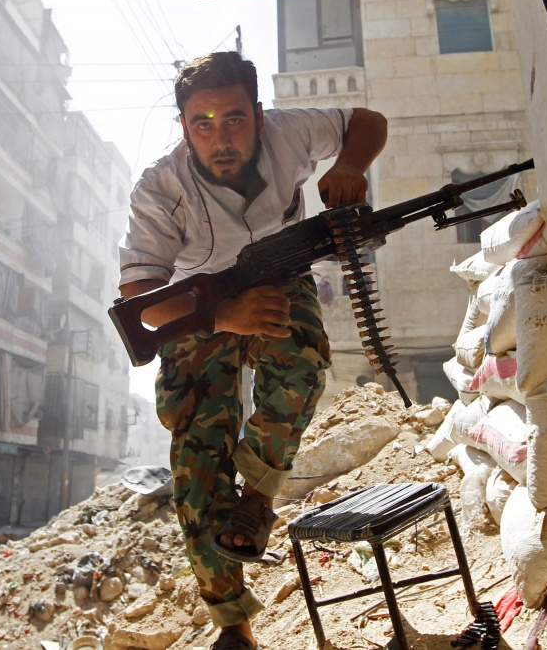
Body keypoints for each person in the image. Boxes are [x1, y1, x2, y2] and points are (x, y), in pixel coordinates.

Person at [117, 52, 387, 650]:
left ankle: (259, 497)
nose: (220, 139)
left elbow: (367, 122)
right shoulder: (160, 187)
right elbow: (141, 300)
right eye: (203, 124)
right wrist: (221, 317)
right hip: (195, 306)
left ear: (259, 116)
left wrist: (350, 165)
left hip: (275, 278)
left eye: (234, 120)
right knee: (198, 465)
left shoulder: (290, 132)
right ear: (184, 126)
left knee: (302, 360)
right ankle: (233, 626)